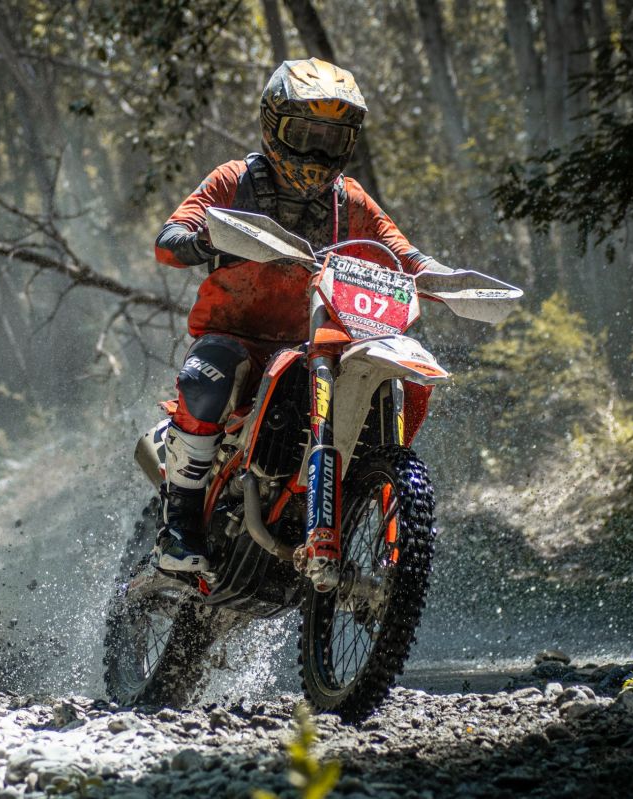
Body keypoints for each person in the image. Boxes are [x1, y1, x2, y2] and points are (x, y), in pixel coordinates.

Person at [152, 57, 444, 574]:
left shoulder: (349, 201)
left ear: (348, 144)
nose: (315, 151)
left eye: (330, 140)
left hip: (318, 344)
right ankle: (178, 528)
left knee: (392, 381)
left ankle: (369, 513)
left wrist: (440, 277)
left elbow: (402, 253)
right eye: (304, 133)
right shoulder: (234, 181)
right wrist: (203, 239)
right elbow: (171, 237)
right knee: (209, 373)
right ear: (273, 125)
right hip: (235, 335)